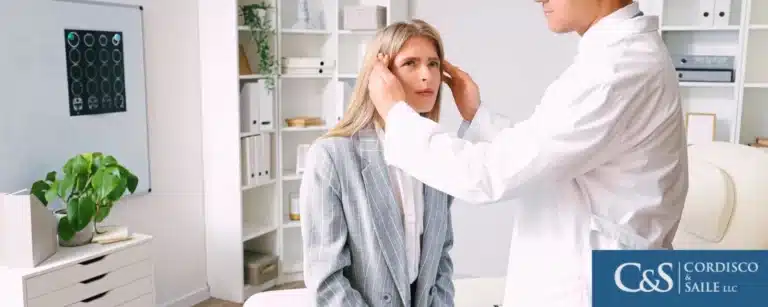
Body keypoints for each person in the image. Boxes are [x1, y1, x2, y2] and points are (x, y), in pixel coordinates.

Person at [366, 1, 688, 307]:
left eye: (432, 63)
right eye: (410, 64)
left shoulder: (616, 71)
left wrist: (397, 115)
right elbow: (545, 159)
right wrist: (477, 118)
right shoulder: (611, 60)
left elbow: (492, 175)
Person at [299, 19, 455, 307]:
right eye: (411, 63)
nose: (427, 76)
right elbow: (327, 279)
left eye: (434, 64)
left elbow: (441, 258)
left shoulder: (437, 153)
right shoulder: (332, 157)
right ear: (381, 75)